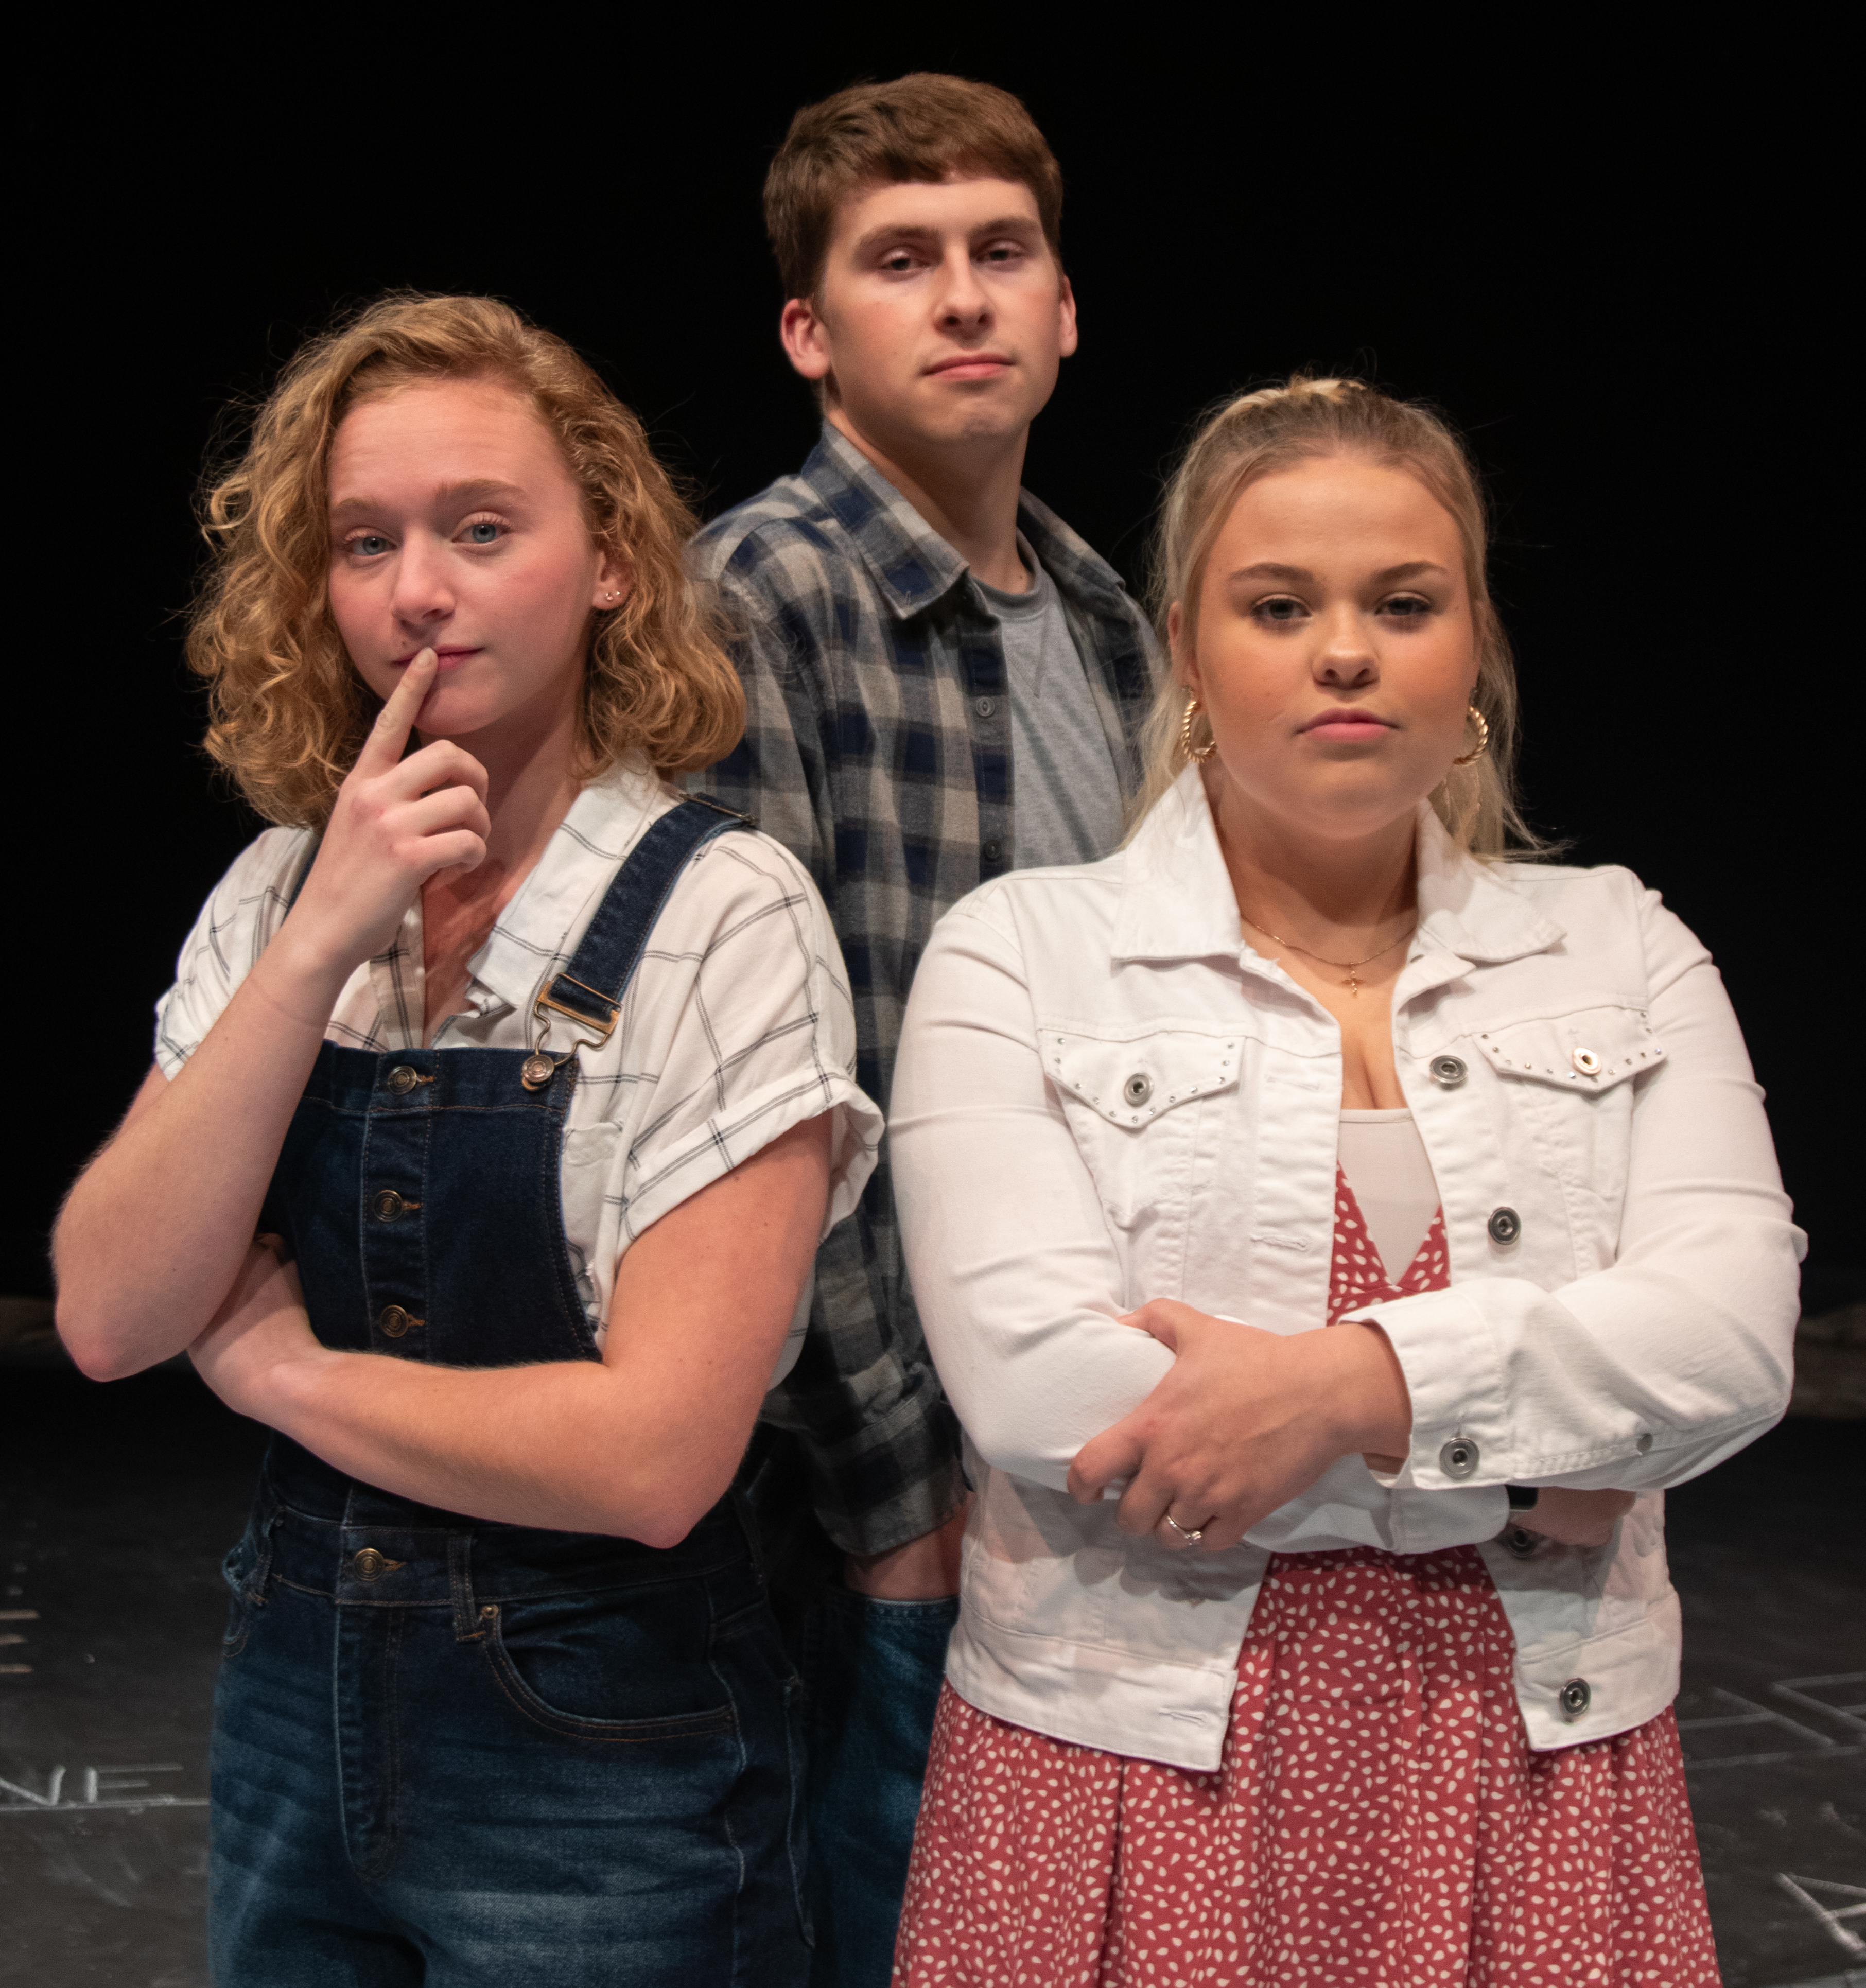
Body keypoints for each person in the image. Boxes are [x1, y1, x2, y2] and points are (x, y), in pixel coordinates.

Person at [887, 376, 1803, 1984]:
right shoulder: (1020, 956)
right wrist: (1527, 1475)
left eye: (1401, 601)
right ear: (1185, 647)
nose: (1342, 650)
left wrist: (1338, 1387)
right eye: (1275, 604)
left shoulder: (1620, 943)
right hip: (1128, 1764)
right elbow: (1045, 1395)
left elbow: (1726, 1346)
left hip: (1535, 1761)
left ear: (1473, 644)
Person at [53, 293, 882, 1986]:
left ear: (609, 563)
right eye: (368, 543)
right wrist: (313, 944)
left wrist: (282, 1378)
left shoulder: (722, 915)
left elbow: (653, 1460)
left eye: (481, 530)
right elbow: (112, 1313)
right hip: (294, 1701)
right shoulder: (283, 892)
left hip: (602, 1741)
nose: (417, 590)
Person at [690, 72, 1162, 1981]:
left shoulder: (1116, 622)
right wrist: (899, 1487)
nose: (961, 296)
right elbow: (767, 1104)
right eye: (901, 262)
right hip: (875, 1489)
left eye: (999, 253)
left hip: (1095, 1445)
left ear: (1062, 307)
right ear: (813, 333)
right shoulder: (764, 597)